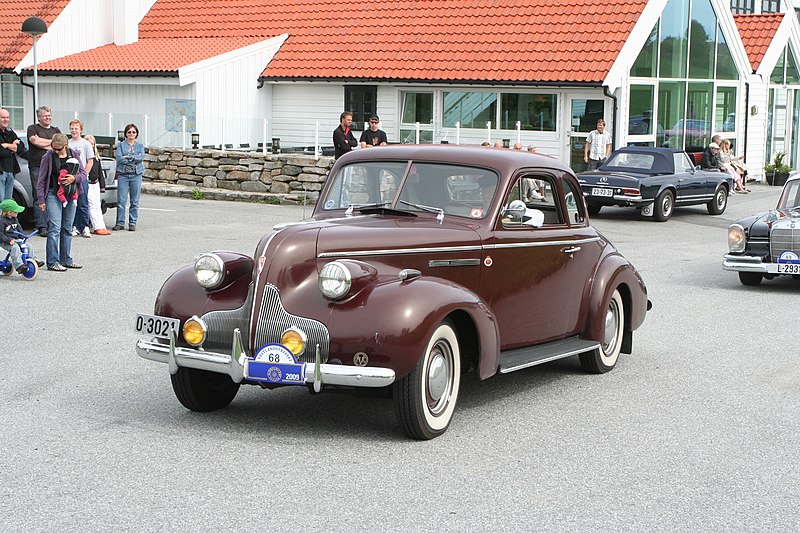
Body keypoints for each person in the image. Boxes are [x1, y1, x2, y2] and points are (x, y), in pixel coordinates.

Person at [36, 133, 85, 271]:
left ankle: (66, 259)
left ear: (66, 145)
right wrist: (41, 199)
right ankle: (52, 262)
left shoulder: (74, 154)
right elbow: (41, 179)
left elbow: (83, 174)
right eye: (54, 148)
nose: (56, 151)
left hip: (71, 194)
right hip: (53, 193)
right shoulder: (48, 156)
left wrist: (74, 178)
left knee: (67, 228)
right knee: (55, 228)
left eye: (59, 149)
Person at [27, 106, 62, 237]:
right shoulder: (32, 129)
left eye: (49, 115)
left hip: (54, 167)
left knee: (53, 195)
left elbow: (61, 144)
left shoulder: (56, 130)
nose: (48, 117)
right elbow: (35, 141)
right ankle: (41, 226)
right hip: (37, 166)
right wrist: (53, 143)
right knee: (39, 195)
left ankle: (53, 223)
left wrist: (46, 143)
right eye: (45, 115)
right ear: (39, 117)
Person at [114, 123, 145, 231]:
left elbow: (141, 158)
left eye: (133, 132)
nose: (131, 134)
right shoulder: (121, 145)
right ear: (126, 133)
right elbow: (119, 158)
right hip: (123, 175)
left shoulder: (140, 146)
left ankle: (132, 223)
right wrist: (134, 157)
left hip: (136, 175)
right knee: (121, 200)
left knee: (134, 200)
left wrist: (128, 157)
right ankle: (120, 223)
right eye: (129, 132)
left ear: (136, 134)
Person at [0, 198, 44, 274]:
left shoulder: (14, 219)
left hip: (16, 239)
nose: (17, 212)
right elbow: (0, 235)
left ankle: (33, 260)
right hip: (5, 242)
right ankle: (19, 266)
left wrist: (23, 236)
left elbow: (19, 229)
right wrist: (8, 240)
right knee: (15, 248)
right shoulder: (1, 221)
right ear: (9, 212)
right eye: (16, 211)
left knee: (28, 245)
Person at [67, 119, 94, 238]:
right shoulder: (67, 143)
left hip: (81, 177)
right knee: (72, 202)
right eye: (72, 128)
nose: (74, 130)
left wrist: (84, 175)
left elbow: (90, 161)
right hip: (71, 177)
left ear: (81, 130)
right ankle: (74, 226)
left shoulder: (86, 144)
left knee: (83, 203)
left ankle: (85, 226)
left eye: (76, 128)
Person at [84, 135, 110, 235]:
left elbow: (100, 172)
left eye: (92, 143)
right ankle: (96, 226)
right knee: (91, 205)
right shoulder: (85, 157)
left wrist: (102, 185)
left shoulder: (96, 157)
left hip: (96, 183)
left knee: (97, 205)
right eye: (89, 143)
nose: (91, 145)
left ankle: (101, 225)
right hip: (89, 183)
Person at [0, 108, 28, 203]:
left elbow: (20, 148)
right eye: (3, 117)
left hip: (11, 171)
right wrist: (12, 147)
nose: (6, 120)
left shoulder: (10, 132)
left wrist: (6, 145)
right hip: (1, 171)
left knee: (8, 202)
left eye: (7, 117)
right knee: (1, 201)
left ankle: (5, 218)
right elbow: (1, 152)